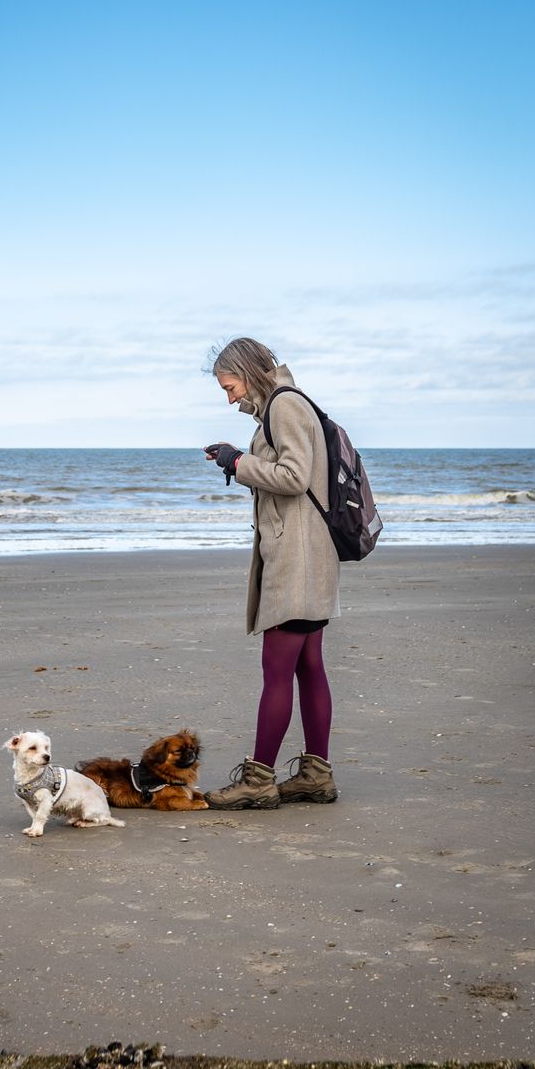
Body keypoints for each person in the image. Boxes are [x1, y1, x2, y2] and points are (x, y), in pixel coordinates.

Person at [202, 337, 340, 809]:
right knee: (307, 667)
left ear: (247, 371)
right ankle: (315, 776)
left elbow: (293, 478)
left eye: (230, 385)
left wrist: (238, 462)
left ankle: (258, 780)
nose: (229, 396)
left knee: (277, 670)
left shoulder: (285, 406)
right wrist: (238, 455)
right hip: (308, 555)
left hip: (297, 561)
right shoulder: (282, 407)